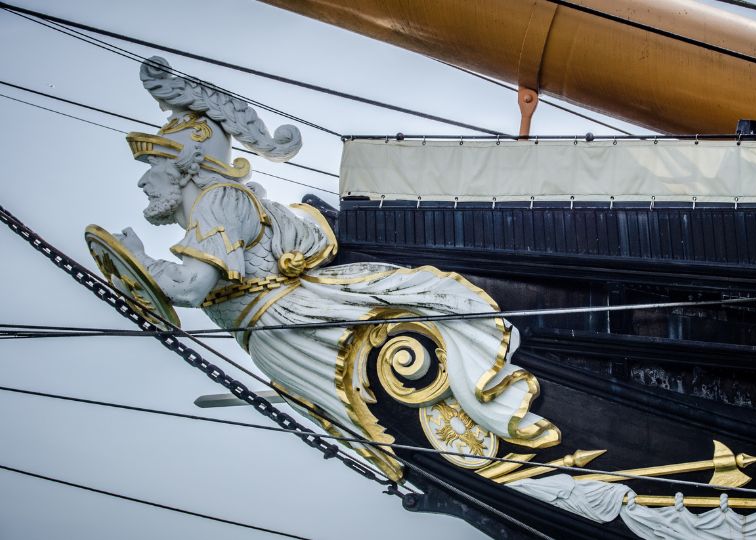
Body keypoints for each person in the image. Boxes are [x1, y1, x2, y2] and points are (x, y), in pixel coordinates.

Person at [115, 57, 560, 478]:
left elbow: (192, 289)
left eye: (152, 164)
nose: (143, 180)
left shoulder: (219, 201)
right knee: (375, 423)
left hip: (293, 325)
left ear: (184, 166)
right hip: (278, 337)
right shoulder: (213, 211)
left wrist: (136, 260)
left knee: (384, 417)